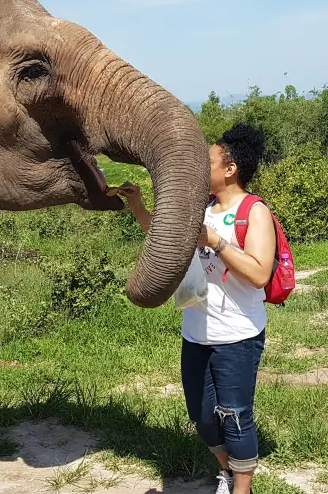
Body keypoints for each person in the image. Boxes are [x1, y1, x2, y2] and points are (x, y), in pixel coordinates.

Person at [115, 123, 276, 494]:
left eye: (207, 162)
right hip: (196, 333)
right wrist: (138, 204)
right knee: (203, 417)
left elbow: (258, 274)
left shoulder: (255, 212)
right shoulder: (200, 207)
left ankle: (242, 487)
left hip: (238, 336)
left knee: (235, 416)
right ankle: (226, 469)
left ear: (230, 169)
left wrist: (216, 241)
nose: (200, 168)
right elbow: (165, 238)